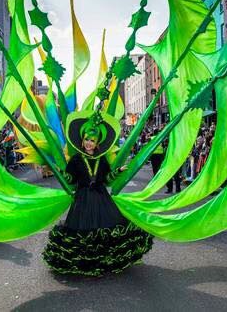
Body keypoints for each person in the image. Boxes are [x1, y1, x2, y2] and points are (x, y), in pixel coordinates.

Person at [43, 112, 153, 276]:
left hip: (101, 197)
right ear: (82, 140)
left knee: (108, 227)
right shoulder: (76, 160)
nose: (88, 143)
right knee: (83, 229)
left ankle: (106, 261)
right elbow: (71, 179)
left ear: (97, 143)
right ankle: (87, 264)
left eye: (92, 141)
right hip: (83, 199)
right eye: (86, 139)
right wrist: (59, 171)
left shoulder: (102, 160)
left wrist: (117, 172)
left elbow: (107, 179)